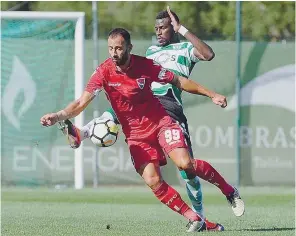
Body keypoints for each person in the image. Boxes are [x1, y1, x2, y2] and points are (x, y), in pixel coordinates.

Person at [40, 28, 244, 233]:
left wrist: (212, 94)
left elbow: (178, 81)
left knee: (185, 164)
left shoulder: (146, 66)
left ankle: (229, 191)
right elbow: (81, 102)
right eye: (110, 48)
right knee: (153, 180)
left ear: (129, 47)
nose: (114, 53)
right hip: (136, 137)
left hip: (160, 123)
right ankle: (195, 219)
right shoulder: (103, 72)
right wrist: (58, 116)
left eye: (119, 48)